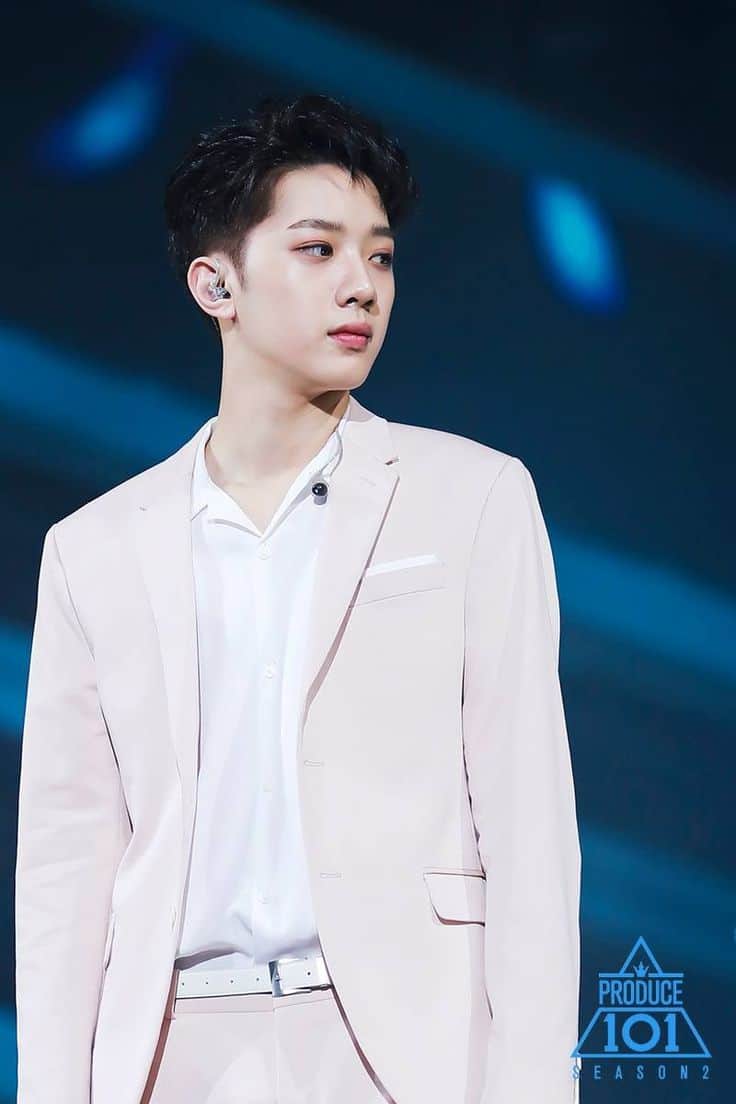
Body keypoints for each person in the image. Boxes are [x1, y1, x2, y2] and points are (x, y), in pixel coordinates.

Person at [14, 90, 582, 1103]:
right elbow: (65, 868)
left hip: (396, 1048)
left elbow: (529, 831)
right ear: (215, 283)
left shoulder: (473, 499)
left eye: (380, 257)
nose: (362, 286)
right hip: (170, 1048)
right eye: (319, 250)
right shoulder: (92, 550)